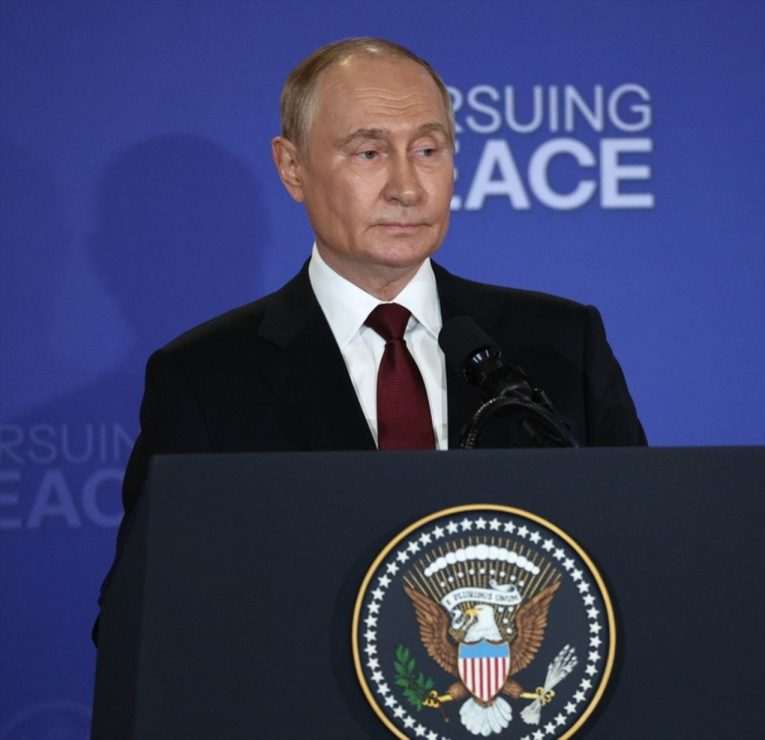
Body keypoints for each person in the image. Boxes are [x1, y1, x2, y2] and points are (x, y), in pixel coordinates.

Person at [95, 37, 644, 640]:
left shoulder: (559, 344)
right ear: (292, 167)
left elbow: (639, 561)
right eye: (369, 153)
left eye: (428, 150)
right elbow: (141, 625)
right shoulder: (206, 378)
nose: (407, 188)